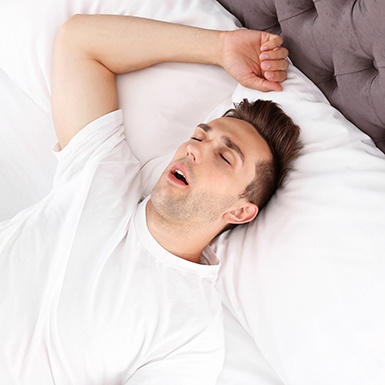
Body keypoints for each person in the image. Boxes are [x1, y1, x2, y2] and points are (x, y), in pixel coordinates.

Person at [0, 15, 300, 385]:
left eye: (224, 157)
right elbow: (81, 42)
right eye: (199, 136)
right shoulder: (103, 173)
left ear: (239, 211)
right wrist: (220, 47)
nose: (194, 149)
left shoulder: (191, 336)